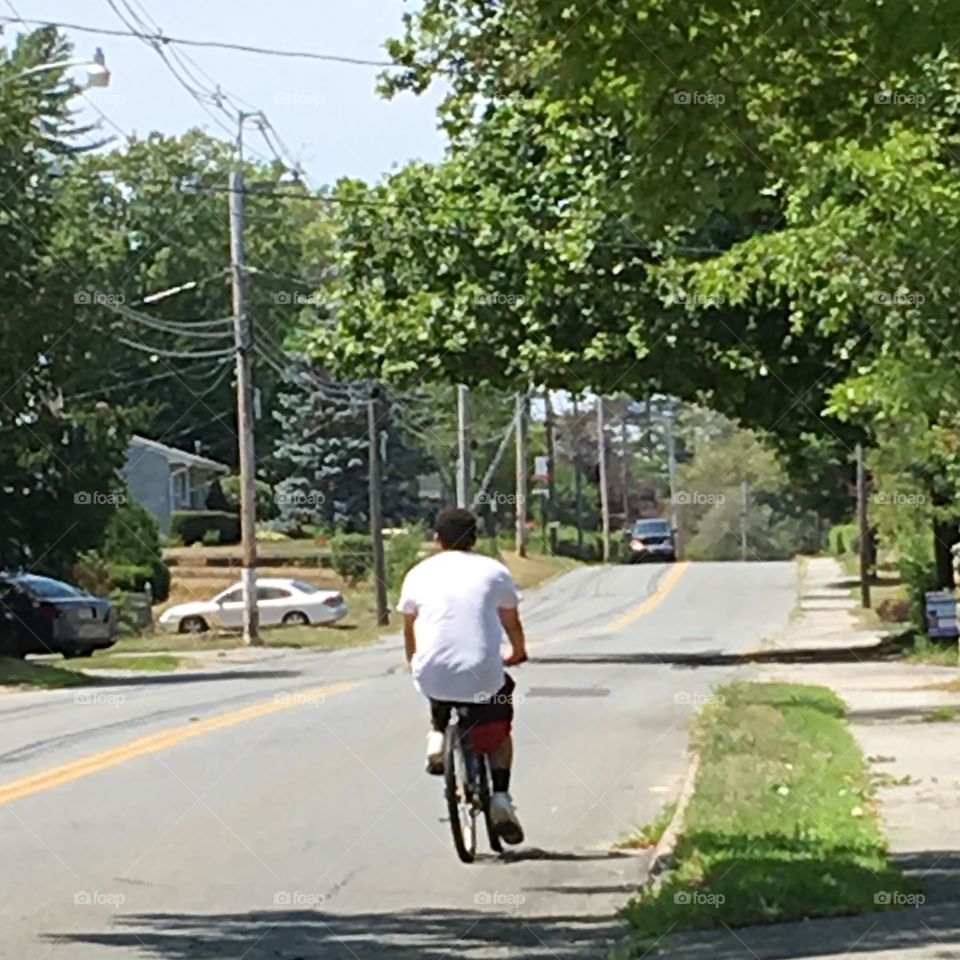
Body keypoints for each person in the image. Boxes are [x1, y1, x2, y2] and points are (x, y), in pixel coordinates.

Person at [398, 507, 528, 844]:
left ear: (437, 538)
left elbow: (410, 626)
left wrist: (413, 660)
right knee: (498, 731)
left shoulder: (418, 573)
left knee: (436, 679)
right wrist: (517, 651)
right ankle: (500, 797)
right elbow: (510, 620)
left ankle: (438, 735)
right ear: (475, 538)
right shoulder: (494, 571)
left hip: (431, 672)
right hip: (482, 672)